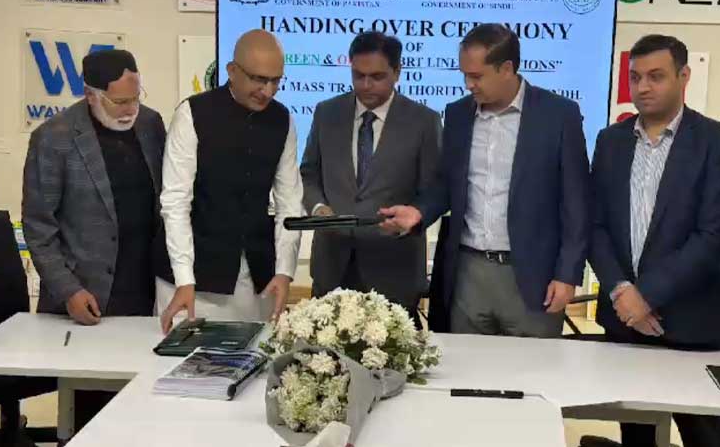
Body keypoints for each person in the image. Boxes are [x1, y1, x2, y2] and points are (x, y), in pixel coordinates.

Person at [380, 23, 589, 338]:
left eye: (476, 76)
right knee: (464, 364)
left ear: (506, 69)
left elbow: (576, 202)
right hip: (468, 274)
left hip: (533, 278)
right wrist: (419, 211)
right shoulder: (458, 114)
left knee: (533, 366)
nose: (469, 85)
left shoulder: (559, 115)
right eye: (464, 75)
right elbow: (447, 183)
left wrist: (568, 274)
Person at [589, 34, 720, 447]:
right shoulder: (610, 141)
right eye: (635, 77)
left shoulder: (719, 143)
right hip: (626, 321)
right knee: (637, 434)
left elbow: (715, 234)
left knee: (703, 437)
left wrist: (647, 295)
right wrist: (621, 292)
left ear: (684, 76)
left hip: (693, 323)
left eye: (656, 76)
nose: (643, 87)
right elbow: (595, 226)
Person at [158, 29, 303, 333]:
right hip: (193, 279)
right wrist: (184, 278)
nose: (267, 91)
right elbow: (175, 202)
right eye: (258, 79)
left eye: (275, 81)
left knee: (254, 356)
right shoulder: (192, 114)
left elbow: (290, 201)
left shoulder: (283, 120)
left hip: (258, 277)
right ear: (232, 71)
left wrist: (285, 271)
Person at [300, 31, 441, 314]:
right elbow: (308, 173)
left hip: (394, 270)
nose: (365, 85)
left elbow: (435, 189)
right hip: (332, 266)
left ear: (397, 72)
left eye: (377, 77)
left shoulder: (424, 121)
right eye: (358, 75)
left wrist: (415, 215)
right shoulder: (327, 113)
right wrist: (318, 207)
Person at [23, 49, 167, 324]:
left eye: (136, 98)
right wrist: (68, 290)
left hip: (144, 291)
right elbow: (38, 226)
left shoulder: (151, 124)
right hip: (82, 296)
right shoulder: (53, 137)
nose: (131, 110)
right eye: (120, 102)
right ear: (91, 95)